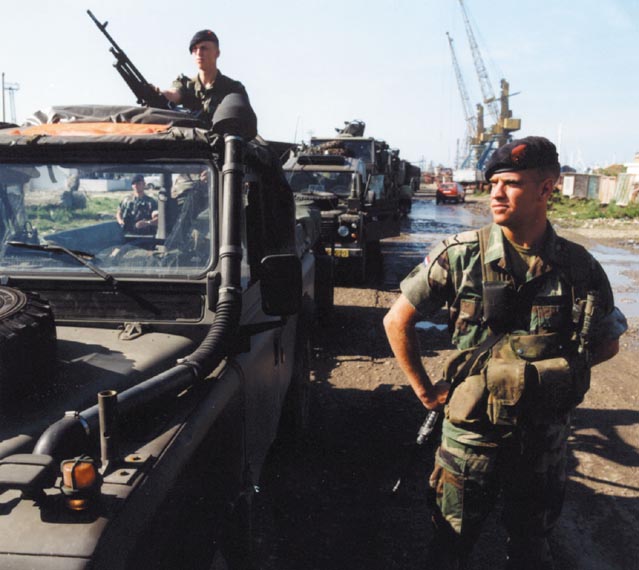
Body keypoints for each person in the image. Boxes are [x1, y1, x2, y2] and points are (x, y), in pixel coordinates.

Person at [383, 136, 627, 570]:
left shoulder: (579, 267)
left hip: (542, 444)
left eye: (510, 183)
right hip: (470, 441)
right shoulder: (460, 255)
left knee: (532, 550)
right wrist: (425, 391)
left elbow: (608, 341)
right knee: (449, 547)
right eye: (493, 182)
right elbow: (395, 320)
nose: (495, 192)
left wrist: (554, 374)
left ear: (547, 189)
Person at [162, 29, 251, 126]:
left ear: (217, 53)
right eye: (195, 49)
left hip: (220, 139)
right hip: (191, 138)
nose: (199, 53)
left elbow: (242, 119)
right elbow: (173, 94)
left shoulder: (233, 88)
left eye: (203, 48)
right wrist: (156, 93)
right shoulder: (185, 84)